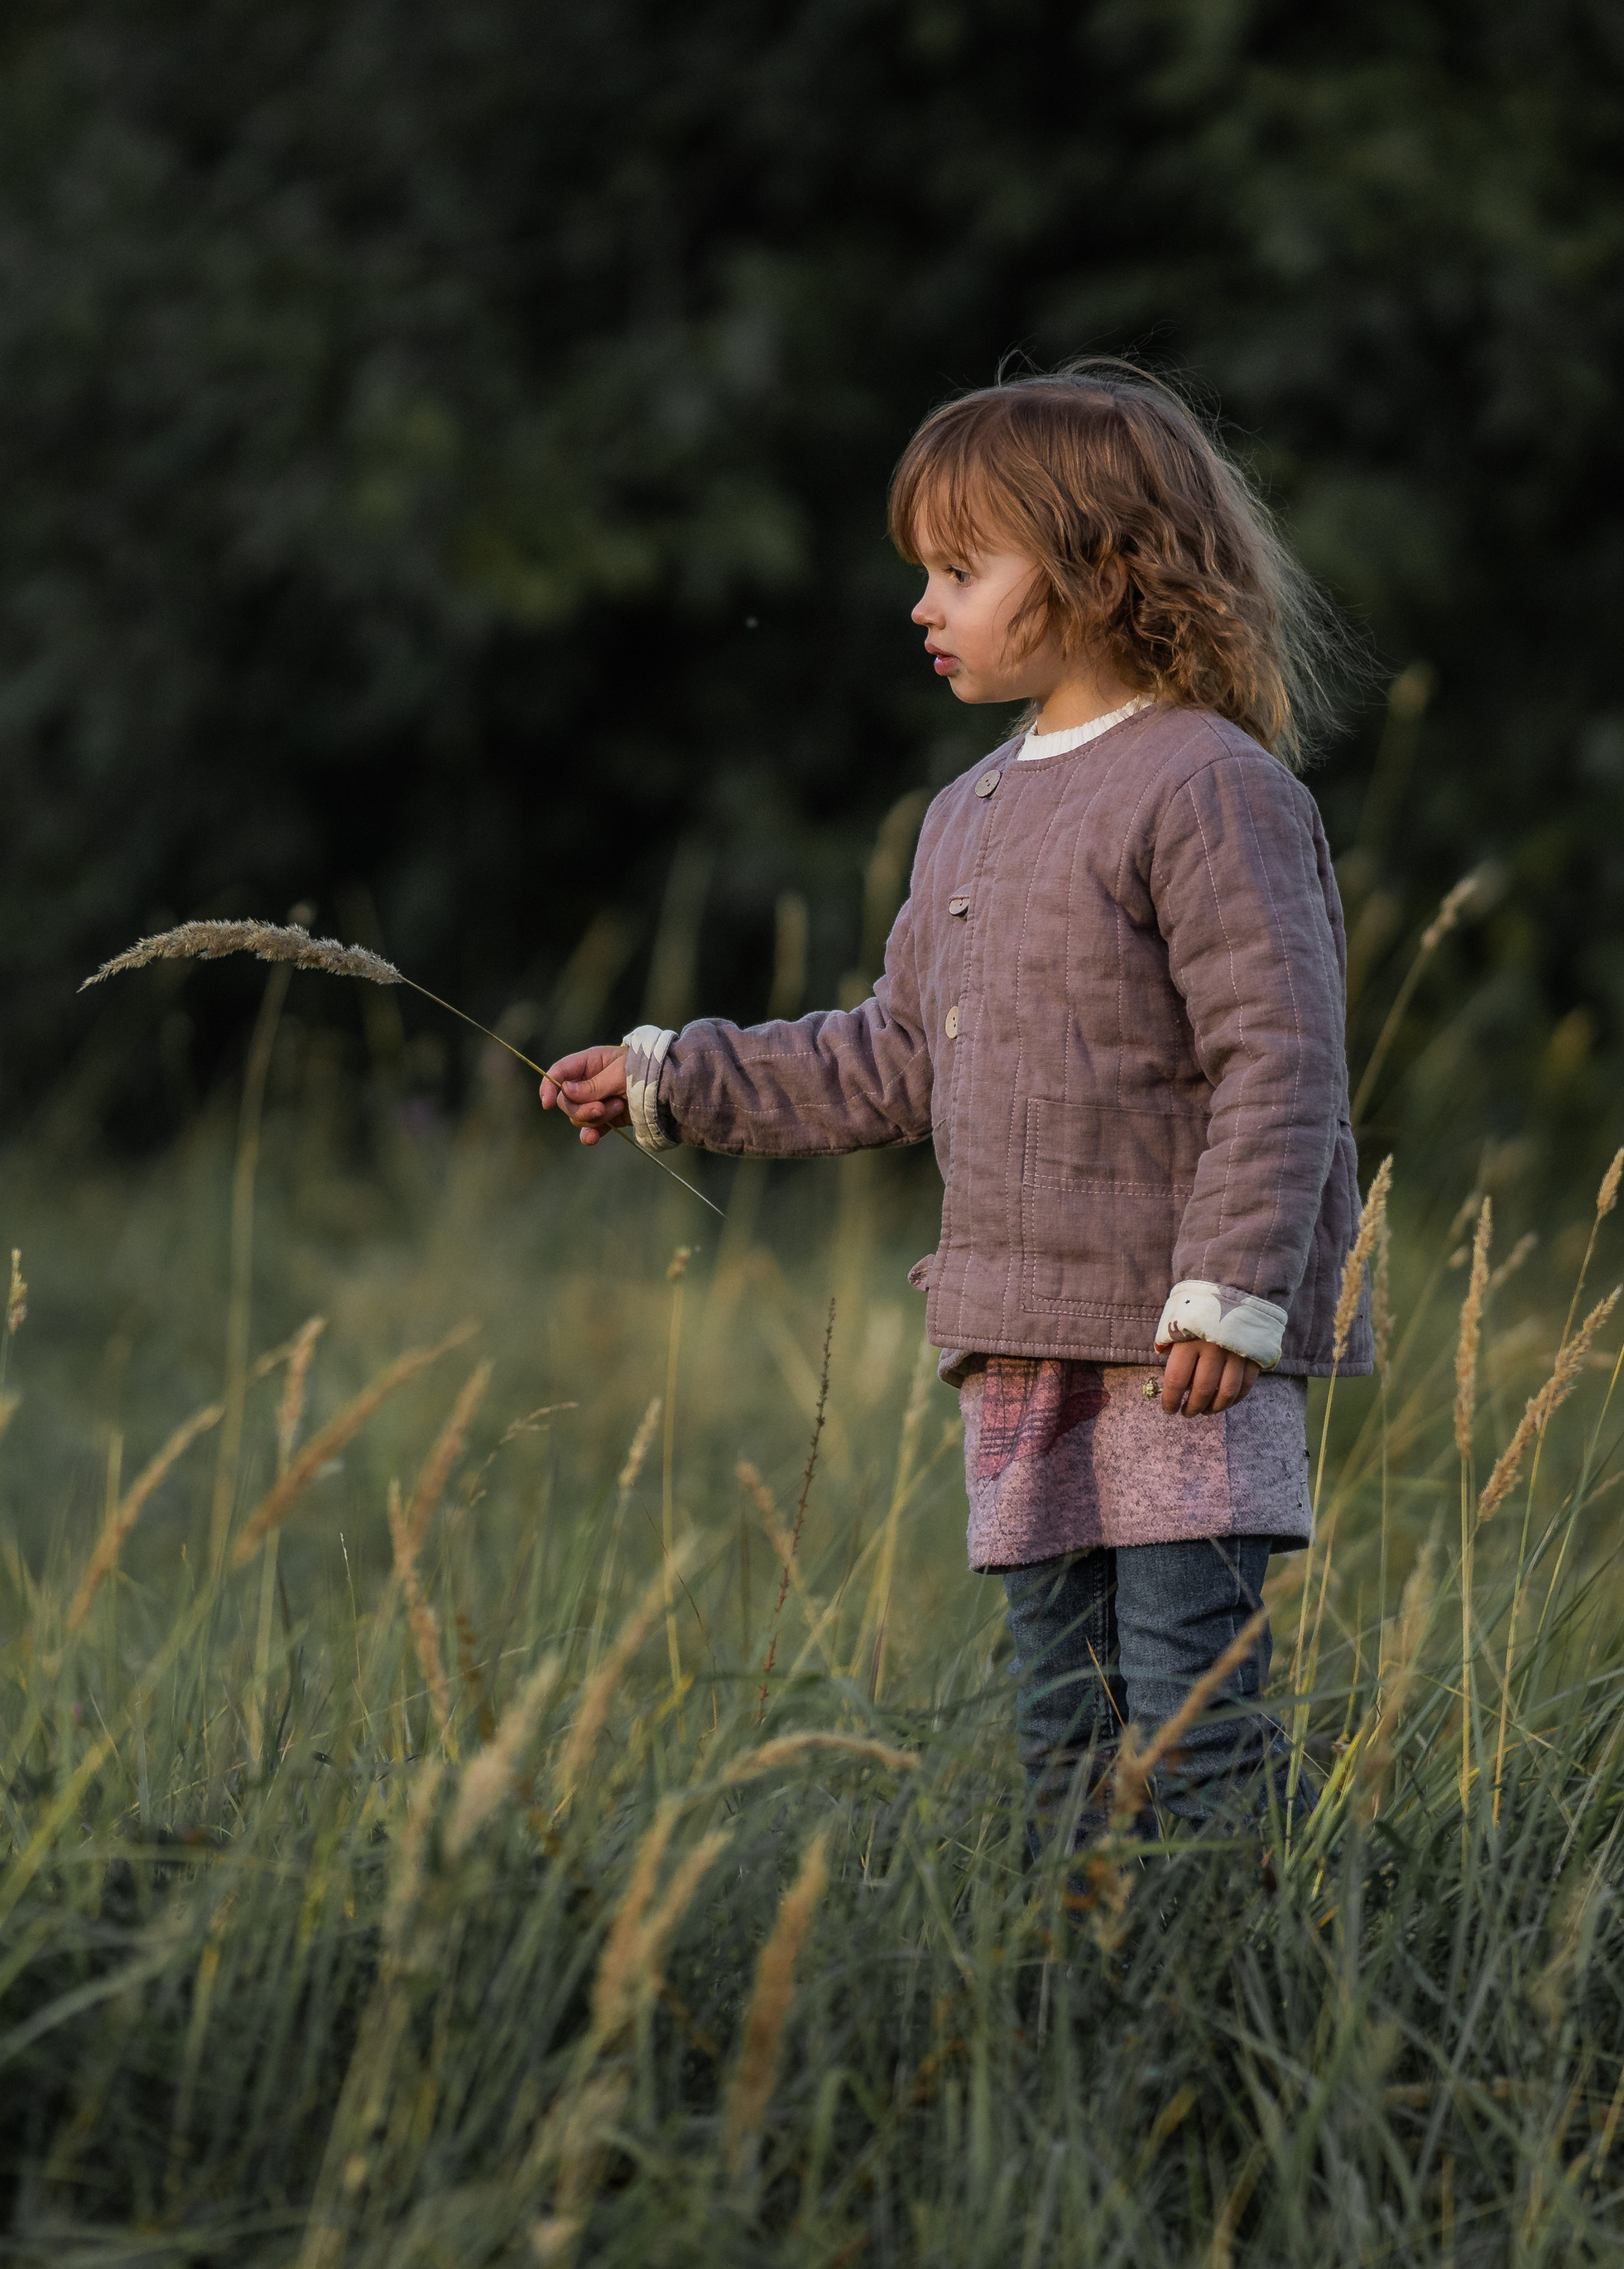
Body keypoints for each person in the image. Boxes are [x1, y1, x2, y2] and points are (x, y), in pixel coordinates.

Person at [539, 363, 1374, 1850]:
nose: (924, 606)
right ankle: (1084, 2007)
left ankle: (1241, 2011)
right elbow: (892, 1053)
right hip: (1018, 1339)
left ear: (1104, 571)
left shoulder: (1207, 782)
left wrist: (1232, 1292)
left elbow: (1282, 1055)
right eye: (922, 570)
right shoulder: (969, 810)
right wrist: (677, 1077)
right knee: (1064, 1733)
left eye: (959, 569)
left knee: (1194, 1719)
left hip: (1181, 1347)